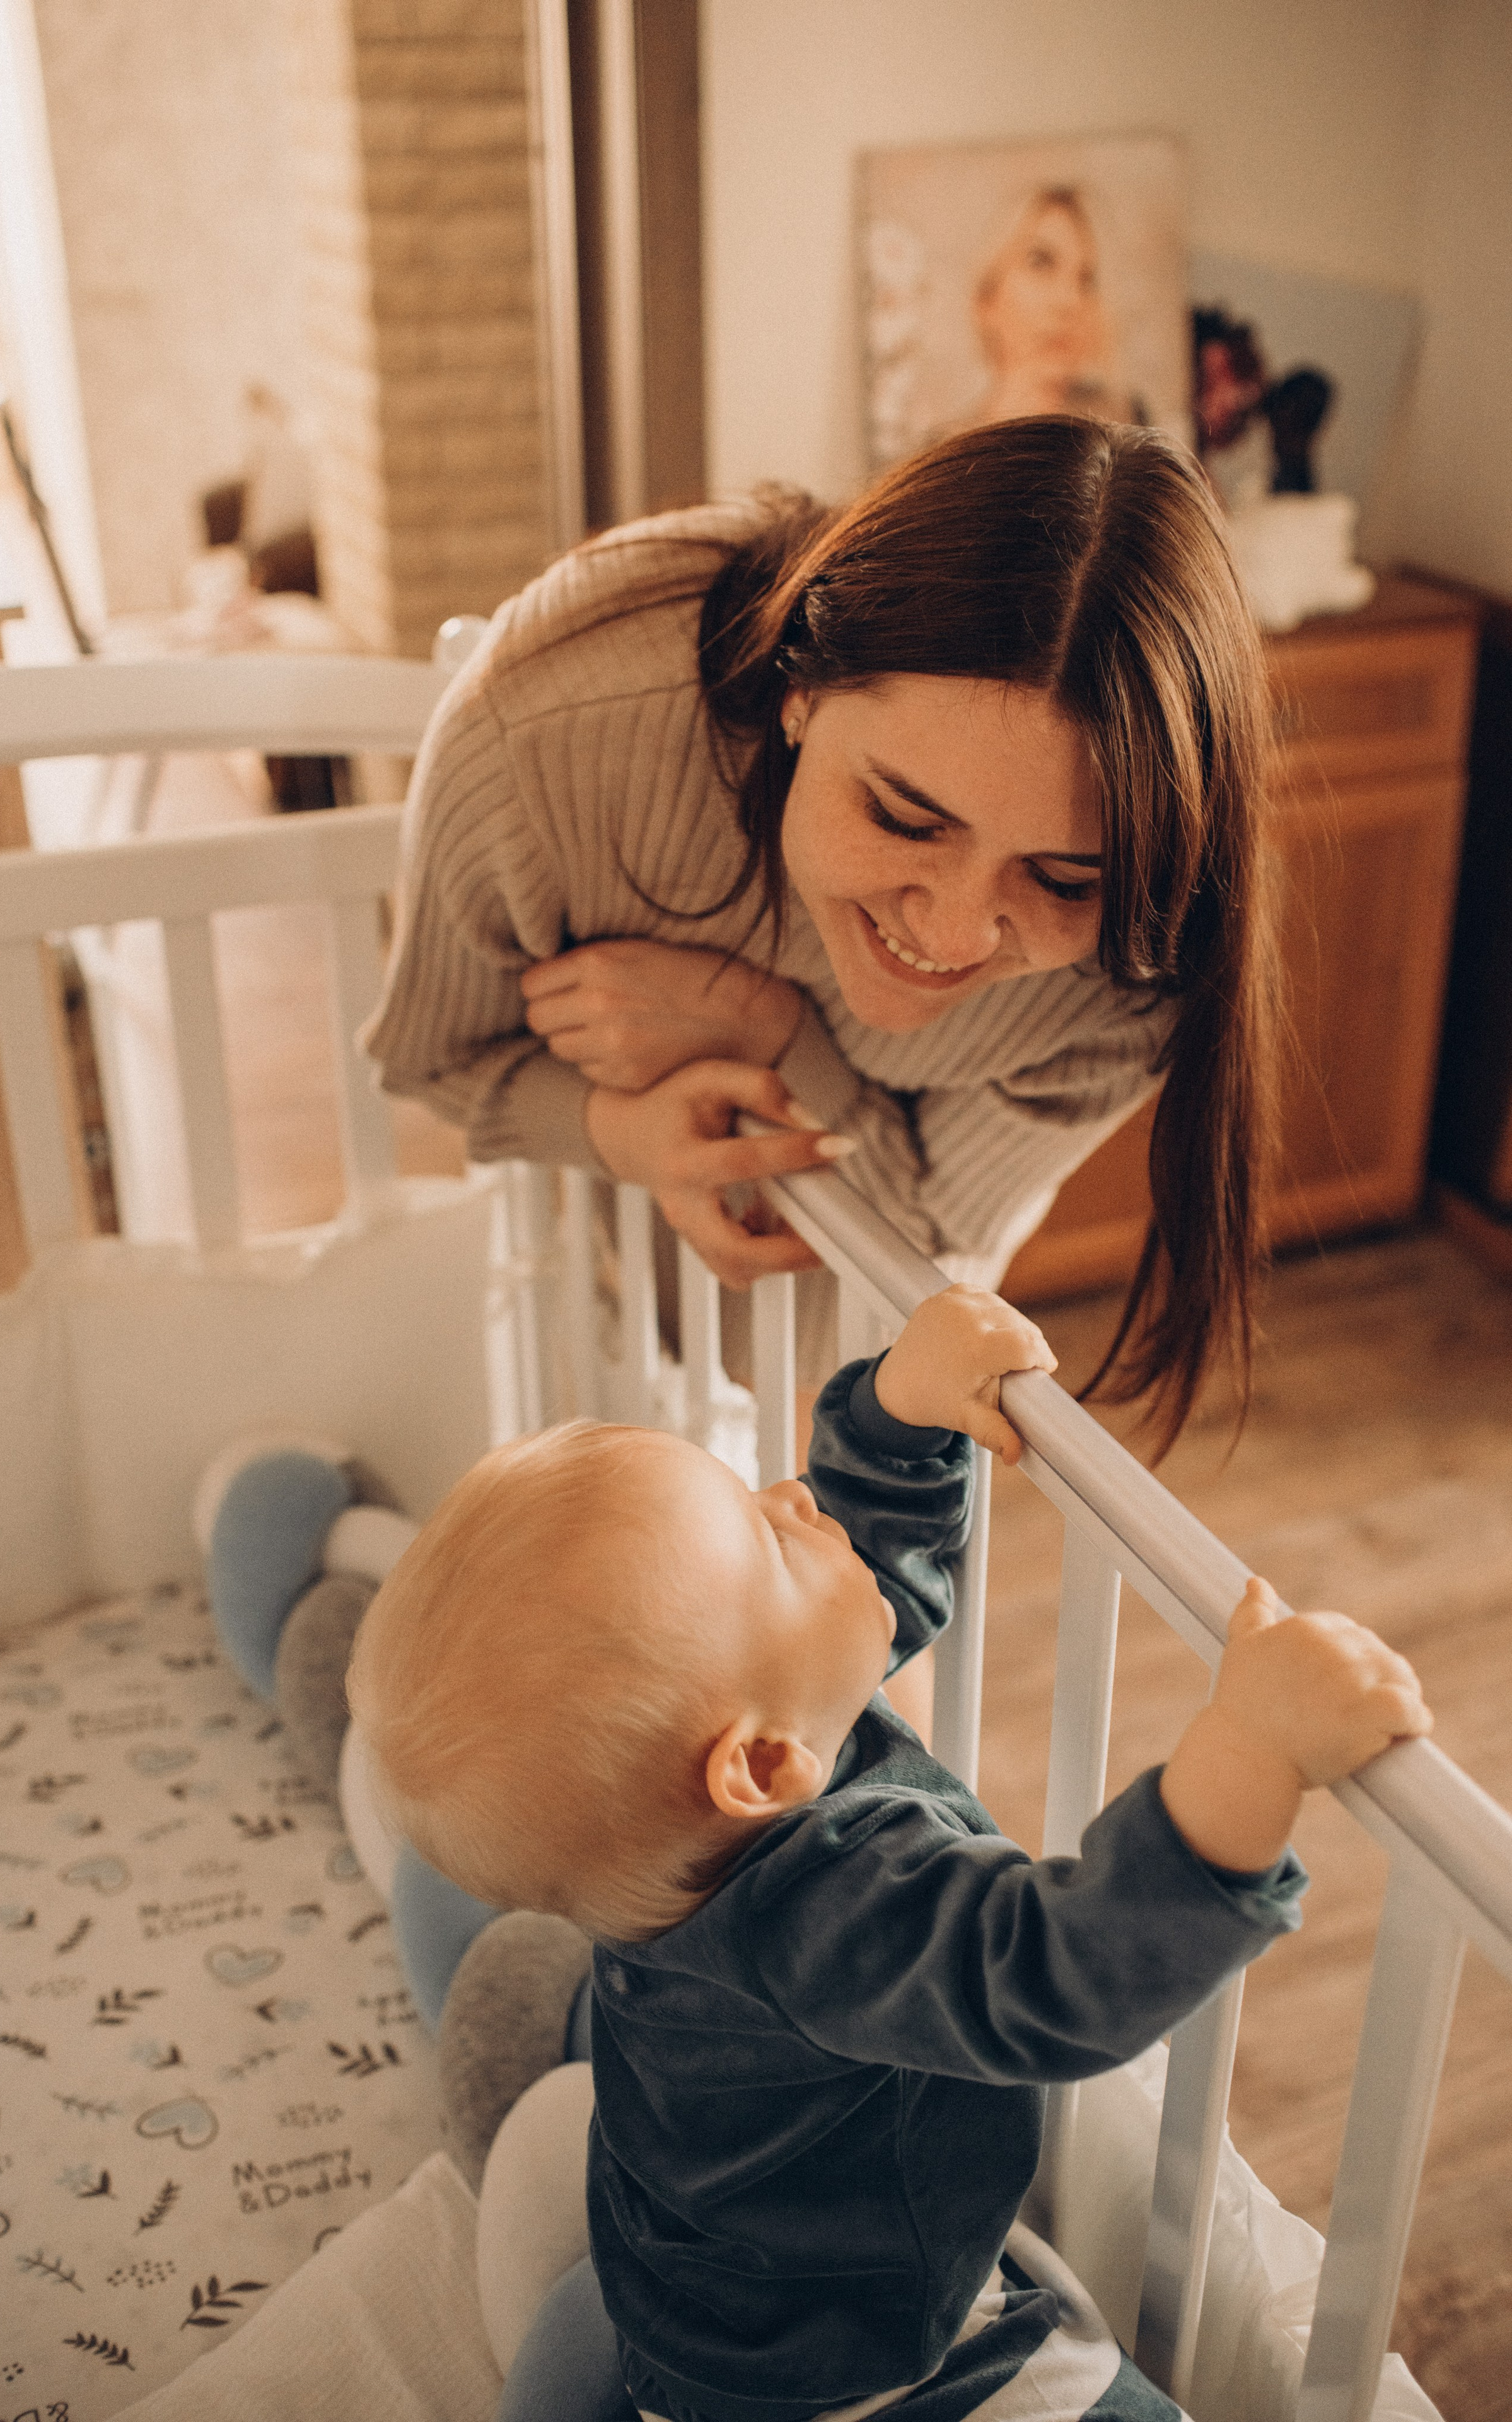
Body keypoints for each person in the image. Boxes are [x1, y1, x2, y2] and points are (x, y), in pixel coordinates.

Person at [347, 1285, 1431, 2422]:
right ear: (760, 1767)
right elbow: (1058, 1975)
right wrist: (1251, 1754)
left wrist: (899, 1417)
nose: (788, 1496)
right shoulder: (831, 1918)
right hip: (846, 2377)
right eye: (768, 1535)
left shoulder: (712, 1812)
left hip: (689, 2300)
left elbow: (839, 1599)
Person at [361, 416, 1276, 1476]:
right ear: (801, 693)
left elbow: (920, 1260)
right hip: (626, 1307)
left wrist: (767, 1030)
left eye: (1066, 877)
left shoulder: (1146, 960)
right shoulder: (547, 735)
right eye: (904, 818)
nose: (953, 932)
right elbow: (430, 1058)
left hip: (844, 1377)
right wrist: (619, 1130)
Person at [965, 187, 1142, 429]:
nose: (1069, 300)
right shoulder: (938, 455)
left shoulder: (1129, 427)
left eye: (1086, 279)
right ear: (986, 300)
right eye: (1040, 263)